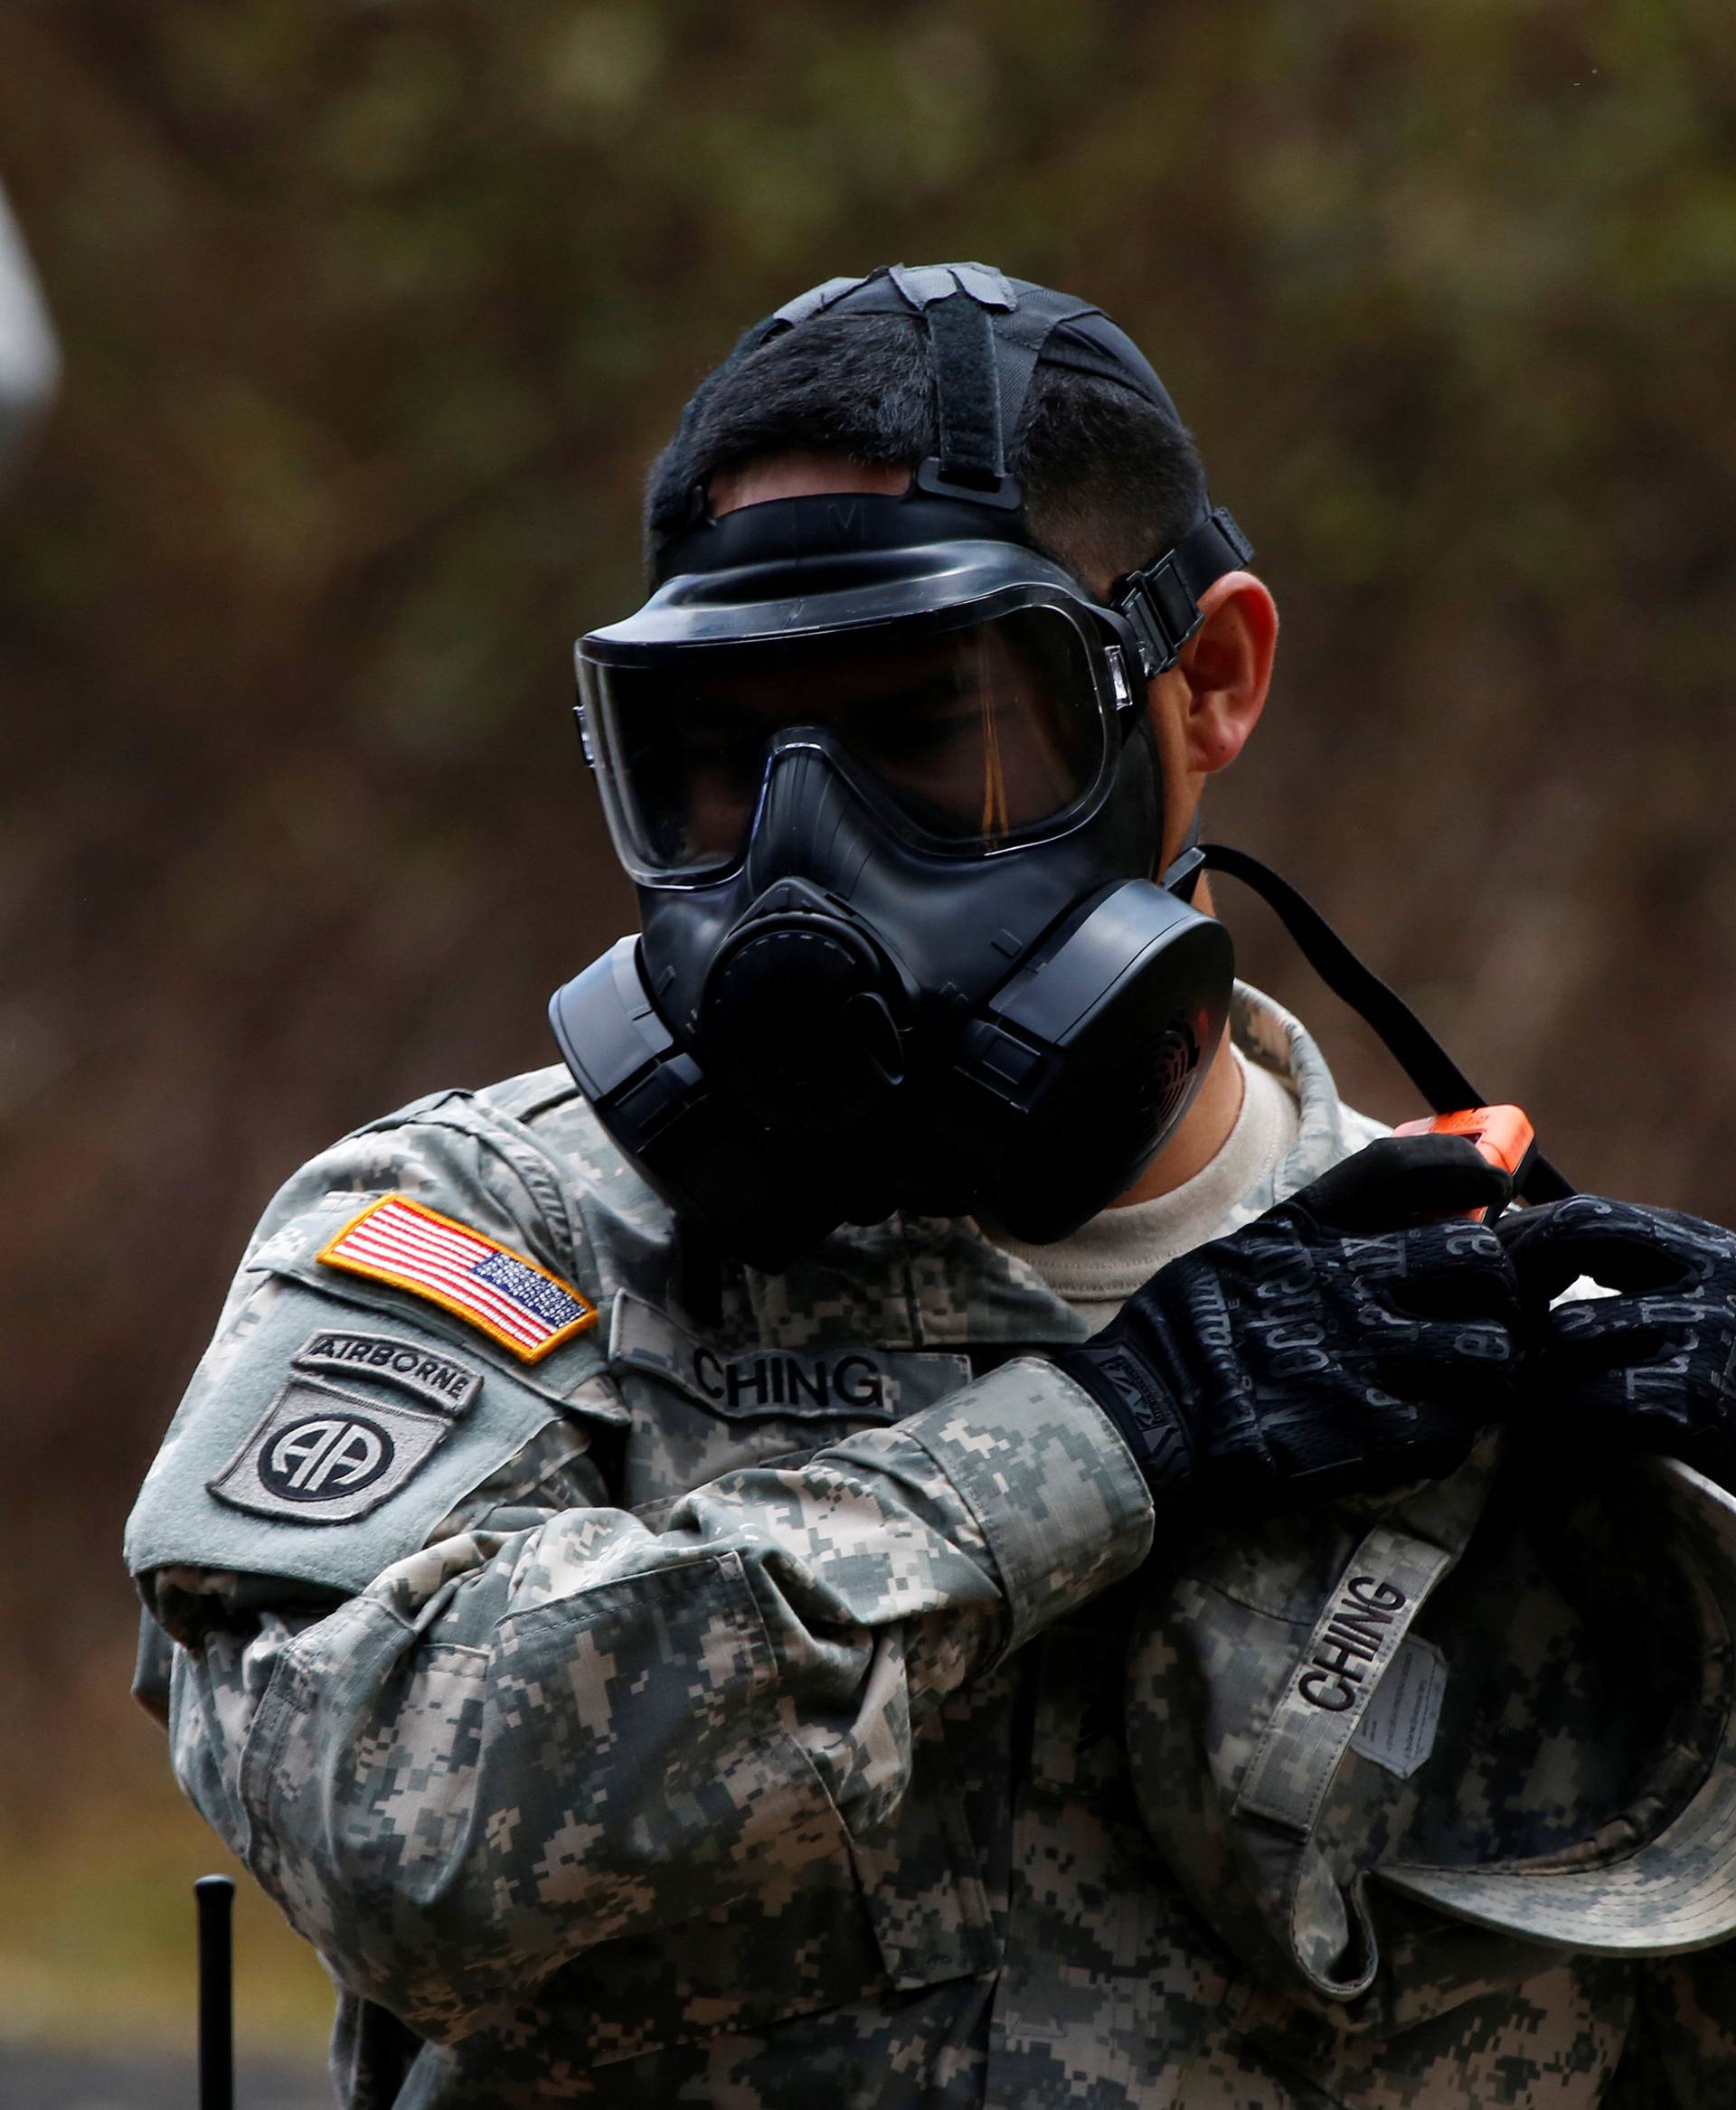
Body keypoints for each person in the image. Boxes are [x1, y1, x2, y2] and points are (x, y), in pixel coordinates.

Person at [127, 263, 1736, 2107]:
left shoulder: (1481, 1324)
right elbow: (382, 1816)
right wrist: (1105, 1441)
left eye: (926, 734)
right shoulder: (497, 1242)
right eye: (722, 761)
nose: (809, 862)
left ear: (1204, 682)